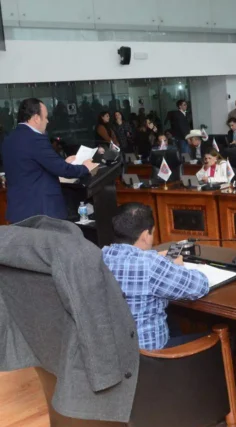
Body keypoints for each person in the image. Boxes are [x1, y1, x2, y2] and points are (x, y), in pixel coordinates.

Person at [101, 202, 210, 350]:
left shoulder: (100, 256)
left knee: (173, 319)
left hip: (113, 350)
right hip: (150, 354)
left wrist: (156, 258)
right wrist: (177, 266)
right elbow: (200, 286)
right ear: (146, 235)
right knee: (226, 336)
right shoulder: (150, 265)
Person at [2, 98, 98, 223]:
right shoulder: (35, 138)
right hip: (41, 212)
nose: (47, 121)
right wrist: (86, 167)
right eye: (46, 117)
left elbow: (31, 167)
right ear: (36, 118)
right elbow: (62, 170)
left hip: (19, 211)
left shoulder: (9, 139)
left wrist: (63, 162)